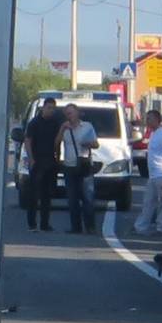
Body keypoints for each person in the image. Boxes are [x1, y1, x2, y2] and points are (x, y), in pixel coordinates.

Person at [24, 93, 65, 231]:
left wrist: (58, 158)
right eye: (48, 108)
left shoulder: (55, 123)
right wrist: (31, 159)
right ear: (43, 108)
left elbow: (57, 143)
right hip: (37, 161)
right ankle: (32, 223)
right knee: (33, 194)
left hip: (50, 162)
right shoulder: (34, 123)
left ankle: (45, 224)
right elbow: (28, 141)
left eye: (53, 108)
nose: (51, 110)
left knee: (47, 195)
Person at [135, 105, 162, 235]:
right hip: (154, 175)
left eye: (150, 119)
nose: (147, 121)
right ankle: (141, 227)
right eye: (146, 119)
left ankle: (161, 227)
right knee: (148, 201)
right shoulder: (153, 133)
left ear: (157, 120)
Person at [58, 103, 96, 233]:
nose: (70, 116)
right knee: (72, 199)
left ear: (77, 113)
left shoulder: (87, 126)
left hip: (84, 165)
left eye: (71, 113)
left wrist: (87, 143)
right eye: (67, 114)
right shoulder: (65, 129)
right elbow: (56, 143)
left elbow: (96, 144)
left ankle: (90, 227)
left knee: (88, 198)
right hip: (69, 167)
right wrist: (62, 128)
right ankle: (76, 227)